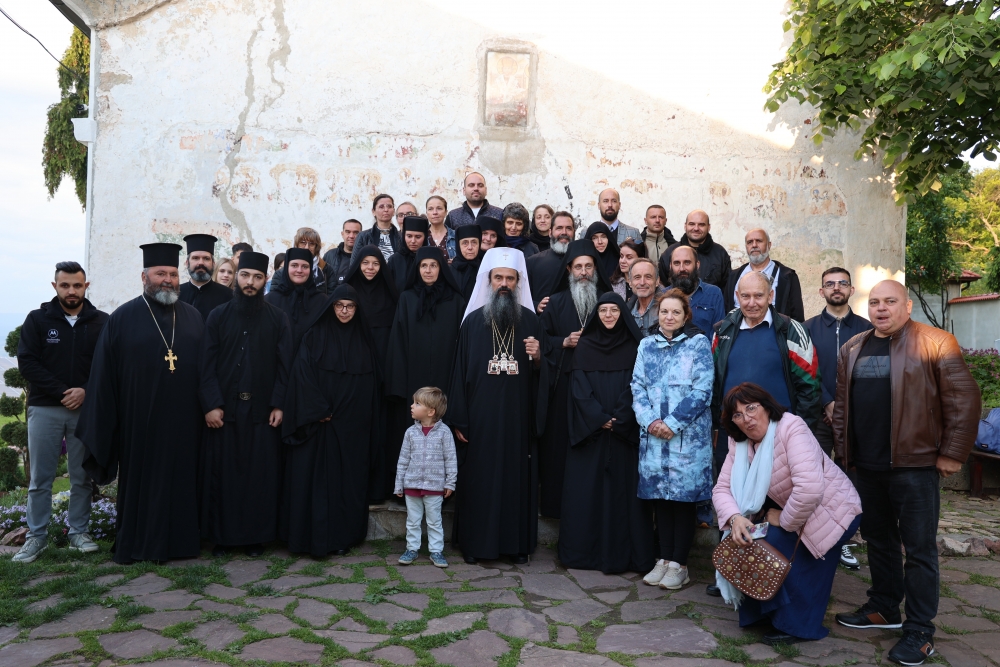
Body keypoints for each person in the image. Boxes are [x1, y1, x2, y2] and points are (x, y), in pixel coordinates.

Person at [832, 280, 980, 666]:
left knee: (919, 550)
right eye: (875, 302)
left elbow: (964, 400)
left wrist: (953, 453)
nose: (882, 309)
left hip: (915, 467)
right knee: (879, 541)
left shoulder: (936, 342)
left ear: (908, 306)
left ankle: (920, 631)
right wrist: (845, 455)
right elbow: (843, 409)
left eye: (890, 301)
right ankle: (884, 606)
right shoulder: (853, 347)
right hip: (867, 466)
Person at [75, 243, 204, 563]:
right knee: (143, 486)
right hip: (139, 424)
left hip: (185, 423)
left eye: (173, 274)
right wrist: (107, 420)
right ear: (144, 276)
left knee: (182, 483)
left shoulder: (192, 317)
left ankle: (182, 545)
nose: (168, 280)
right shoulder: (122, 318)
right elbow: (103, 376)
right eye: (161, 273)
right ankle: (138, 545)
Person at [714, 383, 863, 646]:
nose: (746, 418)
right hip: (798, 513)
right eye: (737, 414)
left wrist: (782, 521)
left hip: (833, 513)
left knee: (789, 554)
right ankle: (763, 614)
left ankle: (797, 626)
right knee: (752, 544)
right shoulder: (738, 441)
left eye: (751, 408)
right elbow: (722, 488)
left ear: (766, 407)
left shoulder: (791, 428)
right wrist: (735, 518)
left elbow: (810, 489)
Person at [448, 248, 549, 564]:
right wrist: (460, 419)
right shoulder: (472, 324)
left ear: (518, 282)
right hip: (480, 419)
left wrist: (537, 359)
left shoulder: (531, 321)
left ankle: (514, 546)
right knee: (480, 480)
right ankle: (477, 546)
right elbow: (458, 374)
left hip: (517, 420)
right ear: (488, 280)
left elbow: (544, 377)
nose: (504, 283)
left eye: (510, 278)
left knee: (514, 481)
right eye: (498, 278)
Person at [13, 262, 109, 563]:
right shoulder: (38, 320)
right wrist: (61, 392)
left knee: (81, 477)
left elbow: (108, 366)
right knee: (41, 479)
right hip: (45, 409)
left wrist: (85, 390)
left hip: (86, 410)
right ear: (55, 286)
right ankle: (36, 537)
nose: (71, 291)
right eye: (65, 285)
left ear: (86, 286)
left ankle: (78, 533)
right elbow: (27, 362)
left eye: (77, 285)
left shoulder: (102, 322)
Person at [198, 251, 291, 557]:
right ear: (236, 278)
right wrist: (211, 403)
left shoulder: (278, 318)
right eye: (245, 276)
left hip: (262, 412)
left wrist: (279, 404)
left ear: (265, 281)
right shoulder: (218, 316)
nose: (250, 283)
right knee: (224, 476)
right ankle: (223, 538)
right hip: (224, 412)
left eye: (257, 277)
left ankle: (255, 538)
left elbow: (284, 365)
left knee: (258, 477)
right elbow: (206, 365)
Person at [281, 285, 382, 556]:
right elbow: (302, 376)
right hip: (318, 424)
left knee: (347, 483)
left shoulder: (364, 340)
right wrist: (318, 409)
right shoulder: (314, 336)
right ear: (331, 307)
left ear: (357, 309)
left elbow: (371, 388)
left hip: (352, 428)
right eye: (339, 306)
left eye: (350, 306)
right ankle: (308, 540)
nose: (345, 311)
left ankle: (343, 538)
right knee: (312, 482)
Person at [559, 292, 654, 574]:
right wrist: (600, 419)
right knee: (586, 495)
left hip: (624, 433)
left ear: (622, 314)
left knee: (625, 497)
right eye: (604, 311)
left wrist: (621, 418)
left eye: (615, 310)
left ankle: (627, 557)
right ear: (596, 315)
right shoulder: (584, 346)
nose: (609, 315)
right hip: (592, 434)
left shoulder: (636, 346)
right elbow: (578, 389)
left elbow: (638, 386)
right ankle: (582, 555)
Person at [632, 289, 714, 590]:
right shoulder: (646, 345)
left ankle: (680, 564)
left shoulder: (698, 344)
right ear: (657, 314)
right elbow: (637, 386)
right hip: (654, 437)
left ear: (685, 316)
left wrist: (672, 423)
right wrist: (651, 421)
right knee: (661, 499)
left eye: (675, 312)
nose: (668, 317)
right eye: (664, 311)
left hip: (686, 440)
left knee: (682, 500)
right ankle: (664, 559)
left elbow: (702, 390)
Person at [711, 271, 821, 468]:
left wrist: (800, 433)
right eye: (745, 296)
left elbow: (809, 388)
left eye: (759, 296)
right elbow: (714, 381)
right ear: (737, 297)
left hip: (779, 433)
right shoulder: (723, 329)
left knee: (777, 495)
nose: (752, 303)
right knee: (732, 494)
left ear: (770, 296)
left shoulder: (791, 330)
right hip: (733, 432)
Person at [804, 269, 871, 571]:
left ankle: (844, 541)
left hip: (855, 418)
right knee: (815, 477)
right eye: (829, 283)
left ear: (851, 289)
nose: (836, 288)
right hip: (818, 417)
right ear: (821, 291)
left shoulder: (867, 329)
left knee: (849, 480)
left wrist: (844, 407)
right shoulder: (806, 329)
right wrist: (828, 402)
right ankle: (816, 538)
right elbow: (806, 372)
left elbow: (870, 375)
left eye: (842, 283)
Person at [539, 240, 612, 518]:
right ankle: (557, 508)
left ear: (595, 269)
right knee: (559, 447)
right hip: (563, 386)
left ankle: (589, 507)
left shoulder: (607, 302)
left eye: (588, 266)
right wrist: (564, 342)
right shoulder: (555, 302)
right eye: (578, 266)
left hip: (597, 388)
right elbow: (542, 340)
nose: (583, 272)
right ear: (569, 269)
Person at [385, 247, 466, 498]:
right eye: (423, 266)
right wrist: (397, 387)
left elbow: (463, 344)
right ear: (417, 269)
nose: (428, 270)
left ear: (442, 268)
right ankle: (409, 492)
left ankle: (445, 492)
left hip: (447, 377)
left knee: (444, 439)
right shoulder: (407, 298)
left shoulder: (456, 301)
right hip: (413, 379)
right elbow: (397, 342)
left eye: (434, 265)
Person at [344, 245, 400, 501]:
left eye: (375, 263)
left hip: (382, 373)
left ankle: (379, 488)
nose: (369, 268)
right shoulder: (348, 294)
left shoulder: (391, 295)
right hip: (353, 372)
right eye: (365, 263)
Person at [394, 387, 458, 568]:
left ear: (431, 411)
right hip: (412, 484)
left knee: (434, 520)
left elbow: (451, 459)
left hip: (435, 486)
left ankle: (436, 551)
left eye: (417, 403)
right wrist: (399, 484)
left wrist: (450, 483)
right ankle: (411, 549)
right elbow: (403, 460)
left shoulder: (444, 433)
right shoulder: (410, 433)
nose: (412, 406)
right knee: (412, 520)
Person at [724, 229, 804, 321]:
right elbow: (727, 311)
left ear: (769, 245)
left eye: (759, 241)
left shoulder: (787, 276)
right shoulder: (734, 277)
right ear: (746, 246)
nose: (754, 245)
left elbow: (797, 316)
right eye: (750, 242)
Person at [264, 248, 328, 358]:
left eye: (305, 266)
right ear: (286, 268)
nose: (299, 270)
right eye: (294, 265)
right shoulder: (270, 300)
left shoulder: (322, 301)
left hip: (310, 369)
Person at [661, 209, 731, 293]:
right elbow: (664, 286)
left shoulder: (720, 254)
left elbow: (727, 287)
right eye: (692, 224)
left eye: (701, 225)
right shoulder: (670, 252)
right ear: (685, 226)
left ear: (708, 227)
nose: (696, 228)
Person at [666, 246, 725, 335]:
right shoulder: (663, 295)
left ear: (697, 265)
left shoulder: (714, 294)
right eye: (677, 263)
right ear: (670, 266)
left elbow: (718, 335)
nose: (682, 268)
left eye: (687, 263)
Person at [526, 211, 575, 310]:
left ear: (574, 232)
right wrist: (536, 306)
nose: (564, 232)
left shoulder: (582, 262)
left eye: (568, 228)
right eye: (559, 228)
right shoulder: (532, 262)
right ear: (550, 233)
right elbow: (523, 297)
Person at [179, 234, 233, 321]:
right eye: (195, 258)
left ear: (213, 264)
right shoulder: (176, 293)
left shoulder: (229, 296)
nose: (201, 263)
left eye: (206, 258)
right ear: (187, 263)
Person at [387, 216, 429, 294]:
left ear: (425, 237)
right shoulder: (395, 260)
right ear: (404, 236)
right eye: (409, 236)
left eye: (418, 237)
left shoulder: (430, 258)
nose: (413, 241)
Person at [353, 194, 401, 262]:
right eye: (381, 207)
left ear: (393, 211)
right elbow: (354, 263)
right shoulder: (363, 236)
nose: (386, 210)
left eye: (389, 206)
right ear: (373, 211)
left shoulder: (401, 237)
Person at [625, 258, 662, 337]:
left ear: (657, 281)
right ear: (630, 282)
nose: (642, 283)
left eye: (648, 277)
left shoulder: (666, 309)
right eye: (637, 277)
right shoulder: (626, 312)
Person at [322, 219, 362, 285]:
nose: (351, 236)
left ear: (361, 235)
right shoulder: (329, 255)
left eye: (356, 233)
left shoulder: (366, 256)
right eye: (348, 232)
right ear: (342, 234)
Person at [451, 225, 484, 300]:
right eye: (465, 243)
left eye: (474, 242)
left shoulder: (484, 269)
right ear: (458, 245)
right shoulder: (450, 272)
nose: (470, 247)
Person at [426, 196, 457, 261]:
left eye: (439, 208)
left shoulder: (456, 236)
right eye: (430, 209)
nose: (435, 212)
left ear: (446, 212)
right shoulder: (421, 236)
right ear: (426, 213)